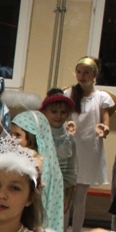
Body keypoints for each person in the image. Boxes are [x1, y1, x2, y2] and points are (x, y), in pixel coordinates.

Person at [65, 57, 114, 232]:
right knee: (67, 197)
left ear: (95, 74)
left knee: (80, 198)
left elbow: (105, 121)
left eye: (86, 72)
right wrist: (68, 124)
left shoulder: (101, 97)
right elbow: (64, 116)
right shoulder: (69, 93)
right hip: (71, 148)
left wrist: (104, 129)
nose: (82, 76)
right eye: (79, 72)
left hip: (89, 150)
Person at [40, 91, 77, 219]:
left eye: (63, 112)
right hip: (38, 188)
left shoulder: (69, 139)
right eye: (54, 112)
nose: (59, 116)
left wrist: (68, 195)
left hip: (58, 189)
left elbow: (72, 169)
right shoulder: (37, 135)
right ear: (45, 112)